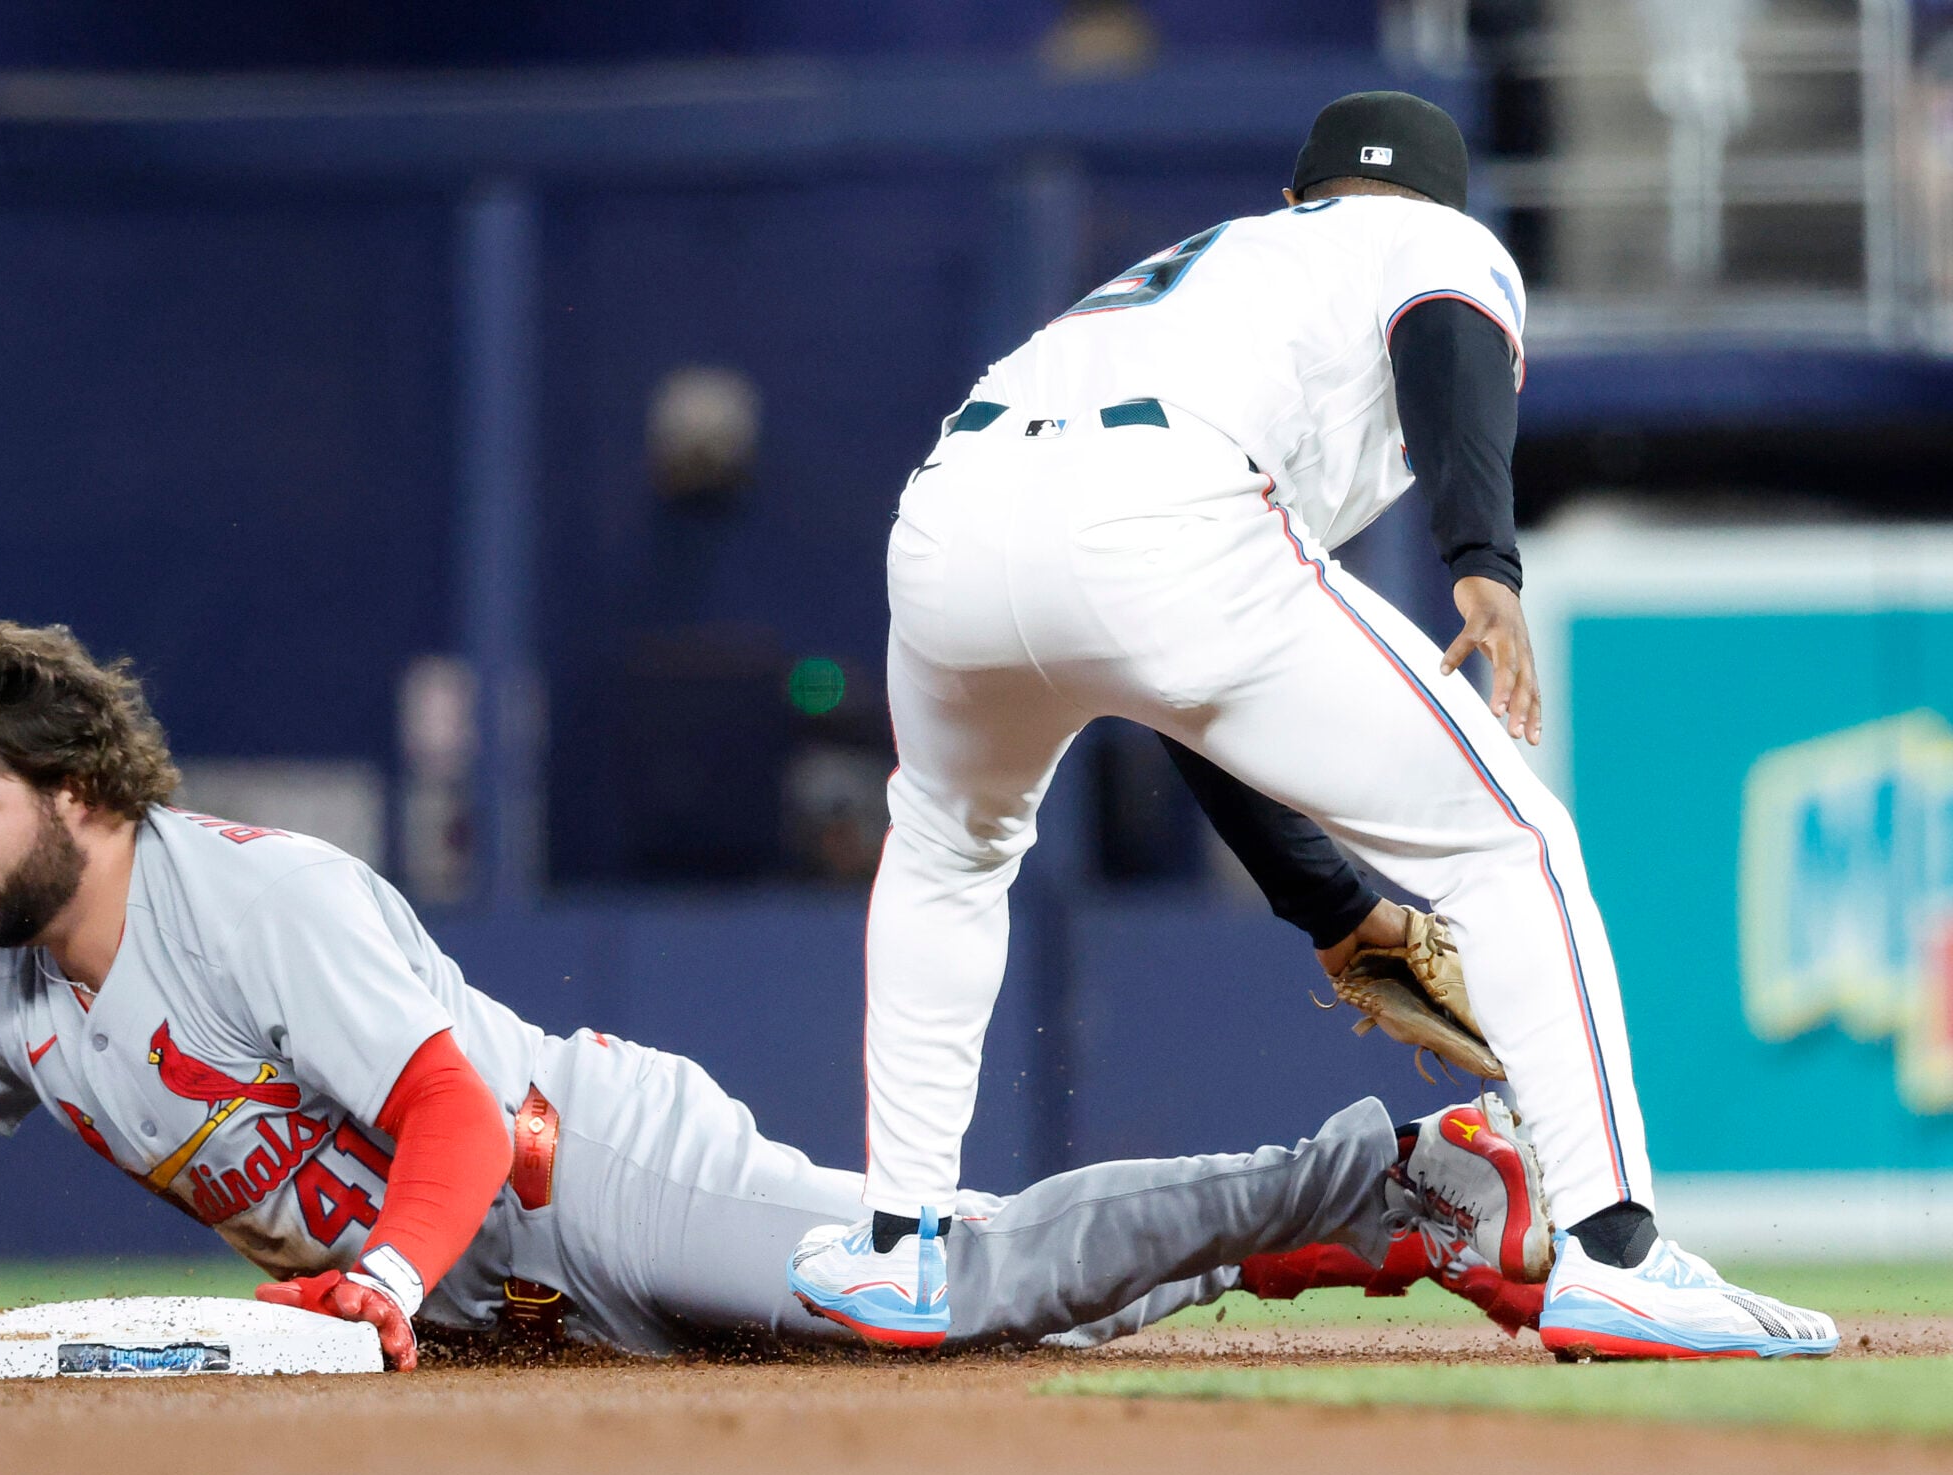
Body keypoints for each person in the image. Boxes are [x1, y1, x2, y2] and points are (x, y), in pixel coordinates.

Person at [0, 617, 1551, 1383]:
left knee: (947, 1289)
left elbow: (447, 1117)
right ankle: (1389, 1212)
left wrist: (365, 1290)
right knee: (995, 1338)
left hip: (583, 1174)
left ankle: (1382, 1165)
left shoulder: (254, 901)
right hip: (490, 1294)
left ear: (71, 787)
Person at [787, 90, 1838, 1362]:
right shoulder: (1427, 241)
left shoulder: (1203, 270)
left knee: (948, 852)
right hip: (1165, 508)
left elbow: (1185, 689)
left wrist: (1335, 907)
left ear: (1296, 194)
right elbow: (1447, 335)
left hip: (951, 513)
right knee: (1513, 846)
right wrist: (1482, 559)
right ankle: (1617, 1257)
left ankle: (896, 1247)